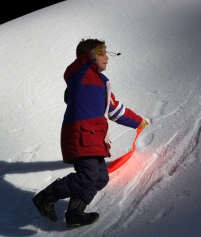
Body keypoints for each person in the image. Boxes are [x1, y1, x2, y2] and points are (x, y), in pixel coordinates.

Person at [32, 38, 148, 227]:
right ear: (90, 55)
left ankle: (75, 214)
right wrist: (88, 57)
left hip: (95, 138)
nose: (107, 58)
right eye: (102, 53)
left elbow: (114, 110)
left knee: (100, 178)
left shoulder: (103, 82)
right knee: (87, 175)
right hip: (81, 135)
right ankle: (46, 197)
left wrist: (138, 121)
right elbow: (71, 72)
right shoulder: (80, 76)